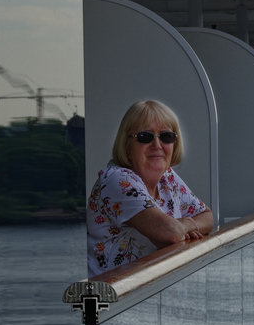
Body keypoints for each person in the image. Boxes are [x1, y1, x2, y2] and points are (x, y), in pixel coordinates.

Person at [87, 100, 214, 275]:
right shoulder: (117, 180)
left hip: (142, 289)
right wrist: (184, 226)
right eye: (145, 137)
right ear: (127, 145)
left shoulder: (167, 177)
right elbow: (170, 232)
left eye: (166, 137)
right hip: (109, 295)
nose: (157, 145)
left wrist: (183, 228)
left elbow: (207, 216)